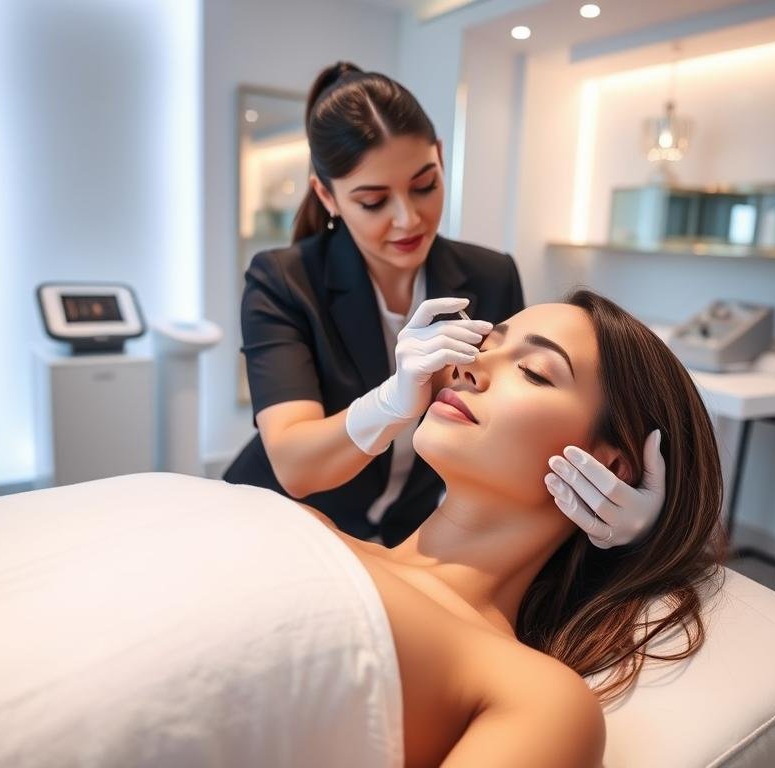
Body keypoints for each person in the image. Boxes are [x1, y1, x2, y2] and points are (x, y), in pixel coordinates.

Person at [223, 61, 666, 549]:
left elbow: (512, 437)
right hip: (280, 524)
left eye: (424, 185)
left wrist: (617, 518)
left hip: (400, 535)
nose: (408, 219)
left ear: (439, 156)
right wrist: (392, 401)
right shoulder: (284, 280)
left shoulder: (490, 275)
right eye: (373, 202)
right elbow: (294, 464)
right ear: (326, 195)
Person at [294, 290, 728, 765]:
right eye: (482, 345)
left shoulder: (538, 700)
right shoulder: (310, 527)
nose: (464, 367)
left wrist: (647, 546)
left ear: (613, 469)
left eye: (534, 371)